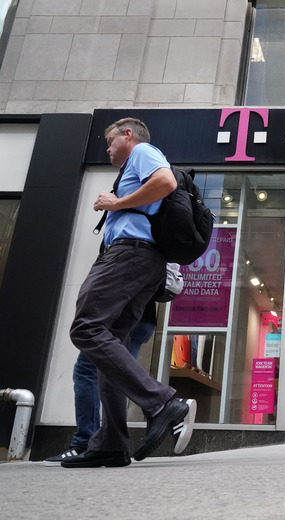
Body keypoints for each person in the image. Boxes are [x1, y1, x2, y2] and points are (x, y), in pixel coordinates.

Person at [64, 117, 196, 468]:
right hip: (142, 261)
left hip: (131, 255)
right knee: (113, 347)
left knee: (86, 327)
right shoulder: (135, 163)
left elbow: (165, 182)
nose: (106, 148)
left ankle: (161, 402)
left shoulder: (142, 152)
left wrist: (116, 203)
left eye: (109, 141)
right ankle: (111, 443)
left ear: (127, 135)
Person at [43, 300, 157, 466]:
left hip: (119, 313)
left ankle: (86, 443)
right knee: (119, 378)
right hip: (144, 317)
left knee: (87, 371)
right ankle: (112, 446)